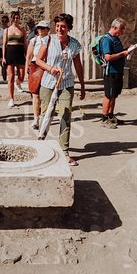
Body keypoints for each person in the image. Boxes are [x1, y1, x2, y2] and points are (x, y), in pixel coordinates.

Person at [36, 13, 85, 166]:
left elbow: (78, 65)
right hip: (48, 83)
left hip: (67, 84)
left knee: (65, 116)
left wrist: (82, 85)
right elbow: (38, 60)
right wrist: (50, 68)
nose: (59, 29)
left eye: (63, 26)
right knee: (46, 115)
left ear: (69, 28)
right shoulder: (48, 40)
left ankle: (64, 152)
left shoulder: (75, 44)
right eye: (57, 26)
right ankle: (40, 145)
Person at [99, 18, 133, 129]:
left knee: (114, 95)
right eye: (121, 30)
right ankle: (104, 119)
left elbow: (118, 52)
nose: (122, 33)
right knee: (108, 95)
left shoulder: (116, 39)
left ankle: (110, 116)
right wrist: (123, 53)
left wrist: (127, 49)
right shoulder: (106, 40)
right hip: (111, 72)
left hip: (118, 71)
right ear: (114, 27)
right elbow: (108, 57)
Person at [25, 20, 51, 130]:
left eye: (43, 28)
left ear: (48, 30)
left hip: (47, 68)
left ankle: (44, 116)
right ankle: (36, 118)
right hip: (35, 68)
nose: (40, 30)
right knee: (35, 94)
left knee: (45, 94)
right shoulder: (34, 40)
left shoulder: (52, 41)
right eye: (39, 28)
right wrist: (27, 69)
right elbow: (29, 56)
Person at [2, 10, 27, 107]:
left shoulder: (22, 30)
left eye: (18, 17)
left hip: (20, 54)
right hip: (10, 54)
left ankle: (18, 83)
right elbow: (4, 44)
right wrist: (3, 57)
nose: (16, 19)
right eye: (14, 18)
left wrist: (27, 55)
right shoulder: (7, 30)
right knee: (10, 77)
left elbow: (25, 44)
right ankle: (11, 98)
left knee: (21, 76)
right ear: (12, 19)